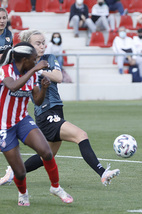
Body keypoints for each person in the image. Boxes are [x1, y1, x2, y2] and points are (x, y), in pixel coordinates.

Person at [0, 30, 120, 186]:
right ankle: (103, 173)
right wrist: (35, 70)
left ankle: (13, 172)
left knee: (48, 155)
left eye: (44, 42)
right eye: (38, 43)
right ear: (29, 46)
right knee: (81, 135)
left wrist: (40, 70)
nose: (42, 46)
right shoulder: (25, 67)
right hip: (45, 112)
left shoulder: (49, 58)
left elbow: (59, 77)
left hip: (56, 109)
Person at [0, 42, 73, 206]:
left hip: (22, 120)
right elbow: (12, 86)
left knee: (46, 152)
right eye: (34, 60)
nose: (36, 62)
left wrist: (44, 88)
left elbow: (38, 102)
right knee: (19, 171)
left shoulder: (32, 74)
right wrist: (36, 69)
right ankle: (23, 194)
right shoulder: (5, 70)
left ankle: (56, 187)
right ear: (24, 59)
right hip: (3, 126)